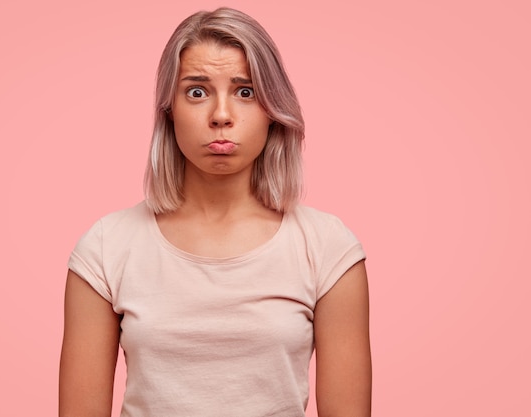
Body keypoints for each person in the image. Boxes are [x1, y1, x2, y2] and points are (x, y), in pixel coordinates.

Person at [59, 7, 371, 417]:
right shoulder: (105, 247)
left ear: (272, 110)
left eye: (245, 92)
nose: (221, 116)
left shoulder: (329, 249)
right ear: (168, 110)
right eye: (197, 91)